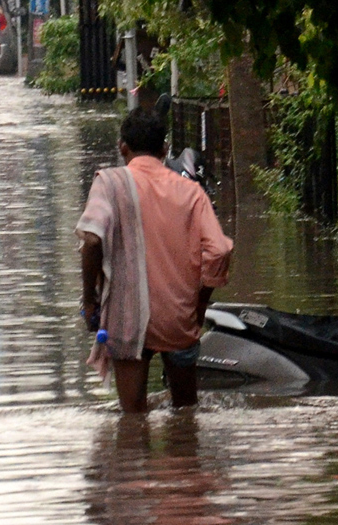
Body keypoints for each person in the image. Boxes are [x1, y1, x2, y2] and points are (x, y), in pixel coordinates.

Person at [76, 106, 233, 411]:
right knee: (187, 413)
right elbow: (220, 251)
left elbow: (91, 239)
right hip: (179, 316)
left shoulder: (109, 184)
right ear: (164, 149)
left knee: (132, 419)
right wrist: (199, 304)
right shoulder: (192, 192)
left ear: (123, 148)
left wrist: (89, 299)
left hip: (128, 317)